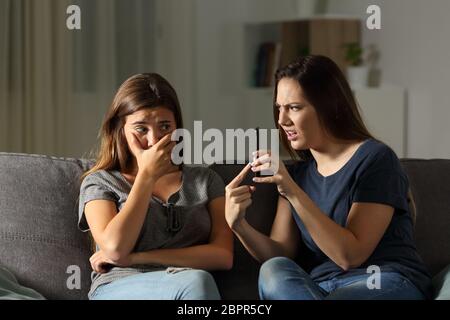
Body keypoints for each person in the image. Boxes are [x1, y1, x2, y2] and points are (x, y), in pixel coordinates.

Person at [225, 55, 432, 300]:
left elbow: (350, 256)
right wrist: (239, 226)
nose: (281, 120)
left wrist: (293, 192)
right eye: (279, 108)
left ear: (328, 106)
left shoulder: (375, 159)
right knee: (274, 270)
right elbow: (280, 253)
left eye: (294, 107)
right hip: (319, 288)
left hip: (381, 280)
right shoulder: (296, 176)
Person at [78, 73, 233, 300]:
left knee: (196, 282)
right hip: (118, 287)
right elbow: (115, 249)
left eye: (164, 126)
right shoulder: (100, 182)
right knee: (196, 283)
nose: (154, 140)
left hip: (186, 285)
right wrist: (147, 176)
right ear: (120, 129)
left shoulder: (206, 181)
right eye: (141, 128)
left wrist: (138, 258)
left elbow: (222, 255)